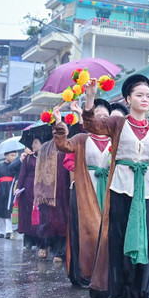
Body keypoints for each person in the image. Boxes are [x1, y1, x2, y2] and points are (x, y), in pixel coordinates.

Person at [82, 73, 149, 298]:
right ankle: (120, 289)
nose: (145, 99)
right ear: (128, 99)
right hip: (121, 186)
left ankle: (147, 289)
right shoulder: (118, 123)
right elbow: (91, 125)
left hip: (147, 189)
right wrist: (90, 97)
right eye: (139, 95)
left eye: (148, 95)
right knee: (119, 238)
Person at [53, 98, 112, 288]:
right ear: (90, 118)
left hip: (109, 186)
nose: (102, 119)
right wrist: (58, 121)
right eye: (98, 115)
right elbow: (67, 158)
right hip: (85, 186)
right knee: (86, 231)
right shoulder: (82, 139)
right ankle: (85, 271)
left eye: (106, 116)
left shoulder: (115, 139)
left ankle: (106, 271)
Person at [33, 139, 70, 262]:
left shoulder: (68, 145)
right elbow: (39, 171)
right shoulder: (45, 148)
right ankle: (44, 246)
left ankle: (60, 252)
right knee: (46, 221)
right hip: (47, 190)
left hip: (64, 190)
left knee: (62, 222)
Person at [0, 151, 22, 239]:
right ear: (6, 156)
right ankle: (1, 231)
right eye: (12, 155)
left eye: (15, 155)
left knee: (9, 211)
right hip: (0, 190)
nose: (13, 157)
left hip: (11, 189)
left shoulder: (16, 166)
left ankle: (9, 231)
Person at [17, 140, 41, 250]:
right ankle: (28, 240)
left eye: (36, 143)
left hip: (41, 187)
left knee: (40, 213)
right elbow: (22, 174)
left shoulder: (47, 157)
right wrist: (18, 188)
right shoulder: (28, 158)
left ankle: (40, 239)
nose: (33, 145)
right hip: (28, 187)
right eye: (33, 143)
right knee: (27, 214)